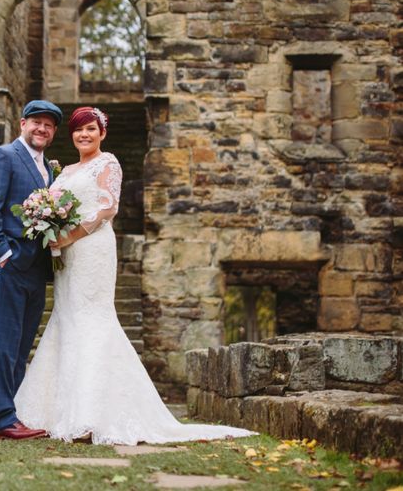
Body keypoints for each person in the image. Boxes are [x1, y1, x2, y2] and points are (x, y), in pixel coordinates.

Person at [14, 106, 255, 445]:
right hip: (66, 252)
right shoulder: (65, 170)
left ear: (102, 133)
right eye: (79, 130)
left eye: (91, 130)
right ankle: (54, 411)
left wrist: (69, 235)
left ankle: (91, 414)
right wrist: (50, 227)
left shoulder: (108, 162)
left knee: (93, 318)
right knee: (66, 317)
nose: (84, 135)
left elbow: (107, 207)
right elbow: (57, 207)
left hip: (92, 247)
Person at [0, 99, 63, 440]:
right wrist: (3, 254)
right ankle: (2, 419)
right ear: (22, 124)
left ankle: (16, 409)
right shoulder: (4, 156)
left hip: (36, 268)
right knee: (5, 344)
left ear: (53, 133)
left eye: (49, 125)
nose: (42, 128)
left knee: (23, 344)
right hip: (7, 266)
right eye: (36, 122)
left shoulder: (48, 169)